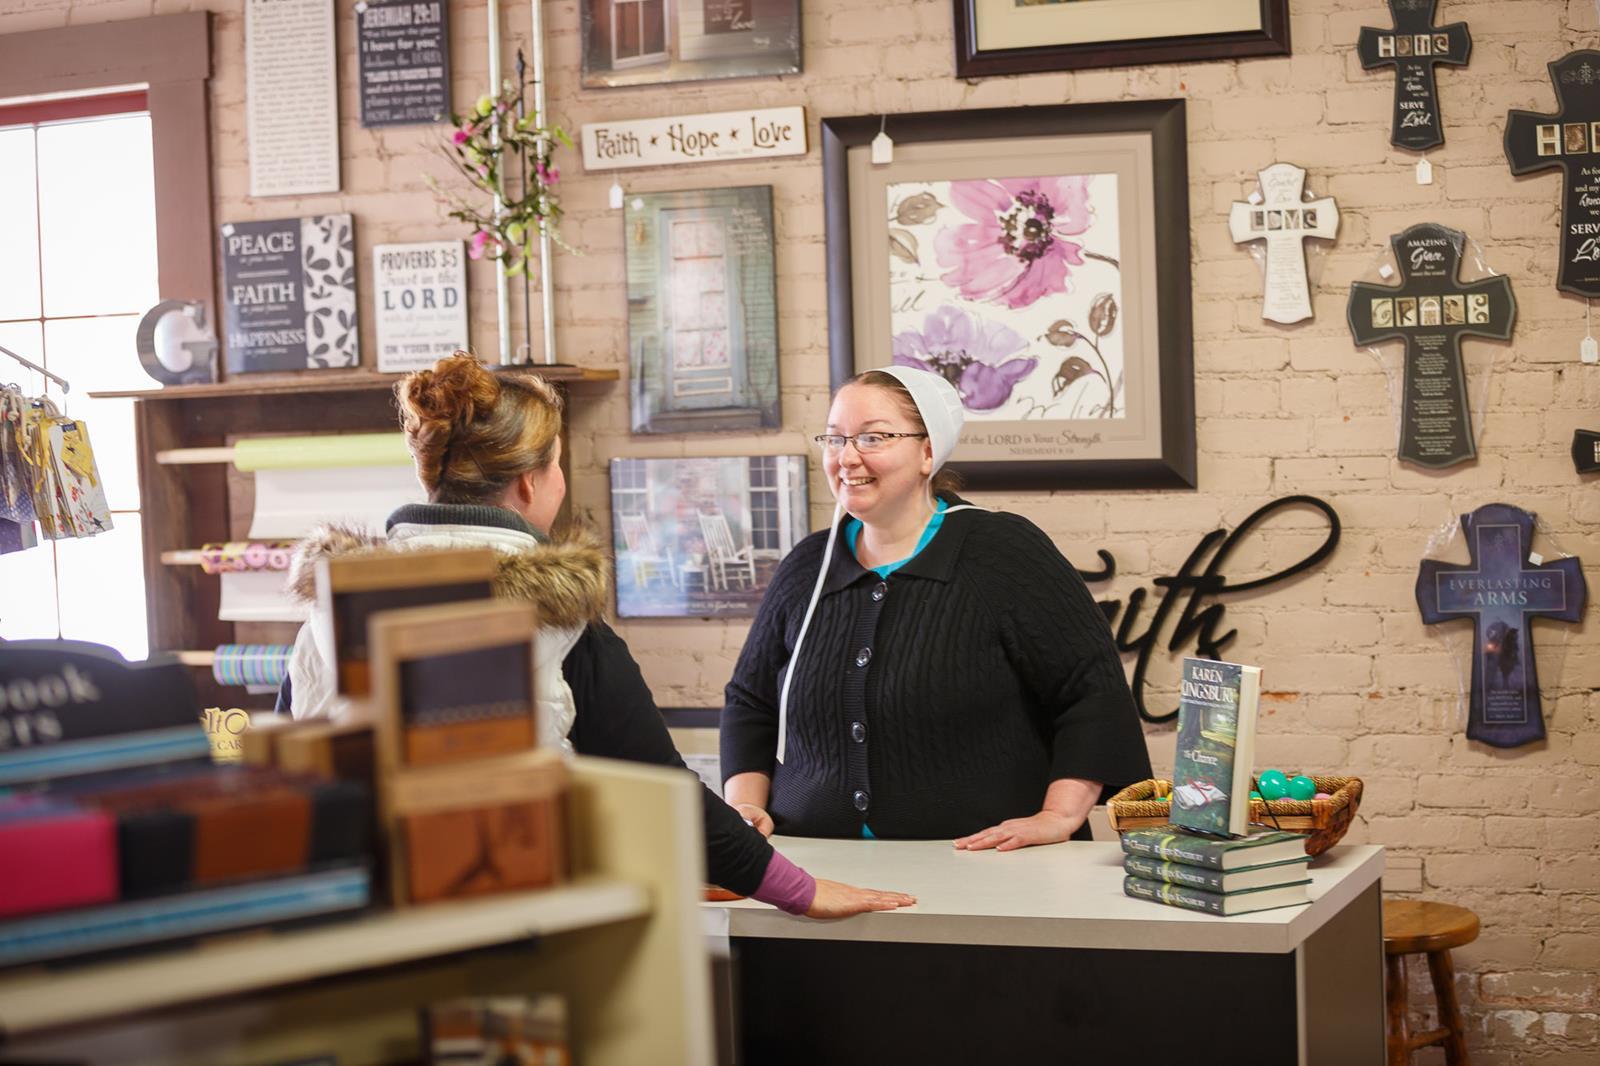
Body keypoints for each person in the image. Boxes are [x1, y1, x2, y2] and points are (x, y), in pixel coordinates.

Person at [278, 353, 914, 918]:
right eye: (559, 466)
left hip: (351, 924)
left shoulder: (329, 610)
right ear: (531, 482)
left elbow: (291, 777)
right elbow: (665, 792)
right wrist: (798, 889)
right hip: (508, 924)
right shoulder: (559, 622)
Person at [721, 366, 1152, 849]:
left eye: (873, 438)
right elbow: (751, 702)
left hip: (986, 872)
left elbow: (1091, 692)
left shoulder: (1003, 551)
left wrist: (1059, 816)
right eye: (835, 438)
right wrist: (744, 807)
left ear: (928, 451)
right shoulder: (807, 565)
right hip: (811, 868)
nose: (846, 457)